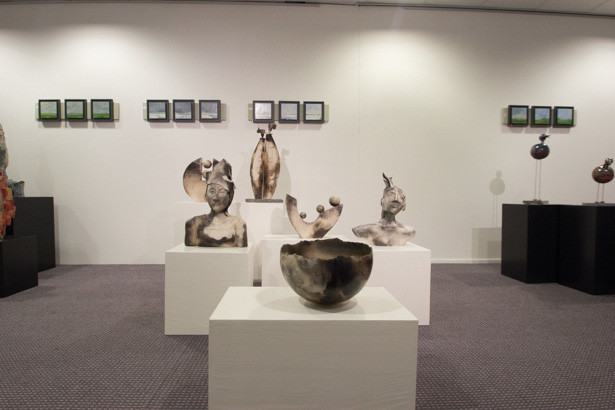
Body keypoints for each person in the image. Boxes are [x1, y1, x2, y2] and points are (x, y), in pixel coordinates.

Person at [184, 159, 247, 247]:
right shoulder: (194, 224)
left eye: (221, 191)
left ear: (230, 195)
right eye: (212, 191)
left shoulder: (238, 225)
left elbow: (241, 253)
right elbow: (188, 253)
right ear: (206, 195)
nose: (215, 198)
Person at [352, 174, 415, 246]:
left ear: (404, 206)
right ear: (382, 201)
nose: (396, 199)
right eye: (391, 195)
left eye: (401, 198)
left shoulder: (408, 231)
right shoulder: (364, 229)